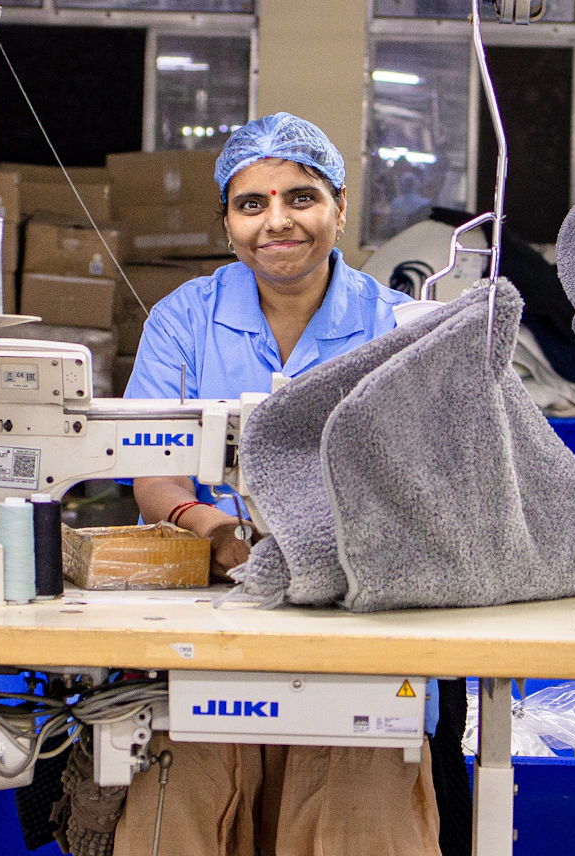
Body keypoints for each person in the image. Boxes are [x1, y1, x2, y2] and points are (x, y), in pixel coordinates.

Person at [115, 112, 440, 856]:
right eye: (251, 203)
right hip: (213, 595)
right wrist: (214, 531)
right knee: (183, 789)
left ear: (339, 208)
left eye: (301, 197)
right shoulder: (185, 321)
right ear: (227, 220)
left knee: (357, 804)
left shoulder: (397, 326)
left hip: (359, 608)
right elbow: (149, 467)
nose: (277, 221)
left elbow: (424, 482)